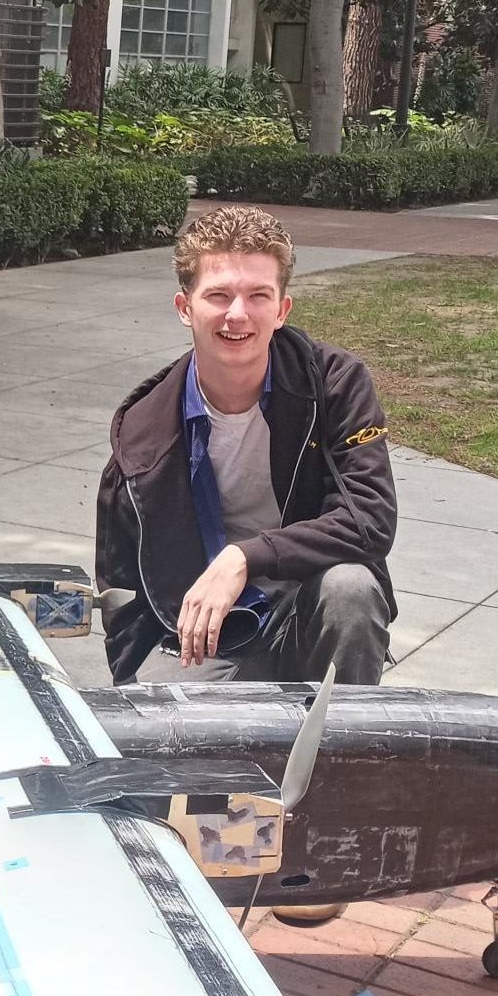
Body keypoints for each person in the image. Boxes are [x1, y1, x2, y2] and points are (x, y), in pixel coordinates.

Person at [95, 205, 397, 689]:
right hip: (203, 636)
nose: (238, 314)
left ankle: (342, 756)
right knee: (158, 729)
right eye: (218, 295)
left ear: (282, 310)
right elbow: (122, 589)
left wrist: (243, 557)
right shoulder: (143, 432)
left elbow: (370, 521)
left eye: (258, 295)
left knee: (351, 589)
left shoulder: (335, 385)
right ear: (184, 307)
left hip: (308, 609)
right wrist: (133, 689)